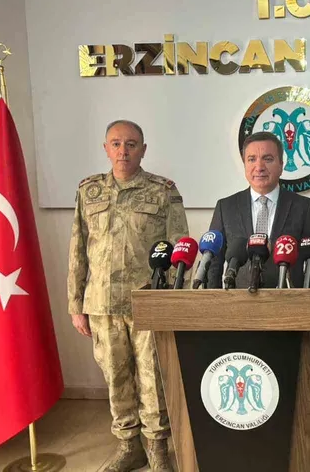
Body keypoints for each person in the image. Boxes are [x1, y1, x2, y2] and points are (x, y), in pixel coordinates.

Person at [68, 120, 189, 472]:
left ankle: (157, 449)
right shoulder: (89, 191)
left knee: (153, 379)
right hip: (102, 304)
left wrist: (172, 304)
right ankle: (128, 446)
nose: (124, 151)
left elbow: (180, 249)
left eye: (132, 144)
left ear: (143, 150)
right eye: (117, 143)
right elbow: (78, 249)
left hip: (147, 304)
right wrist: (76, 305)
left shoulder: (162, 191)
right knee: (116, 380)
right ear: (106, 148)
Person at [206, 131, 310, 289]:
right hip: (238, 300)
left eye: (268, 159)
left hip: (289, 300)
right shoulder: (226, 207)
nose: (259, 167)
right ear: (244, 165)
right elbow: (213, 264)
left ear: (281, 165)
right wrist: (213, 300)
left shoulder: (304, 207)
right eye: (252, 159)